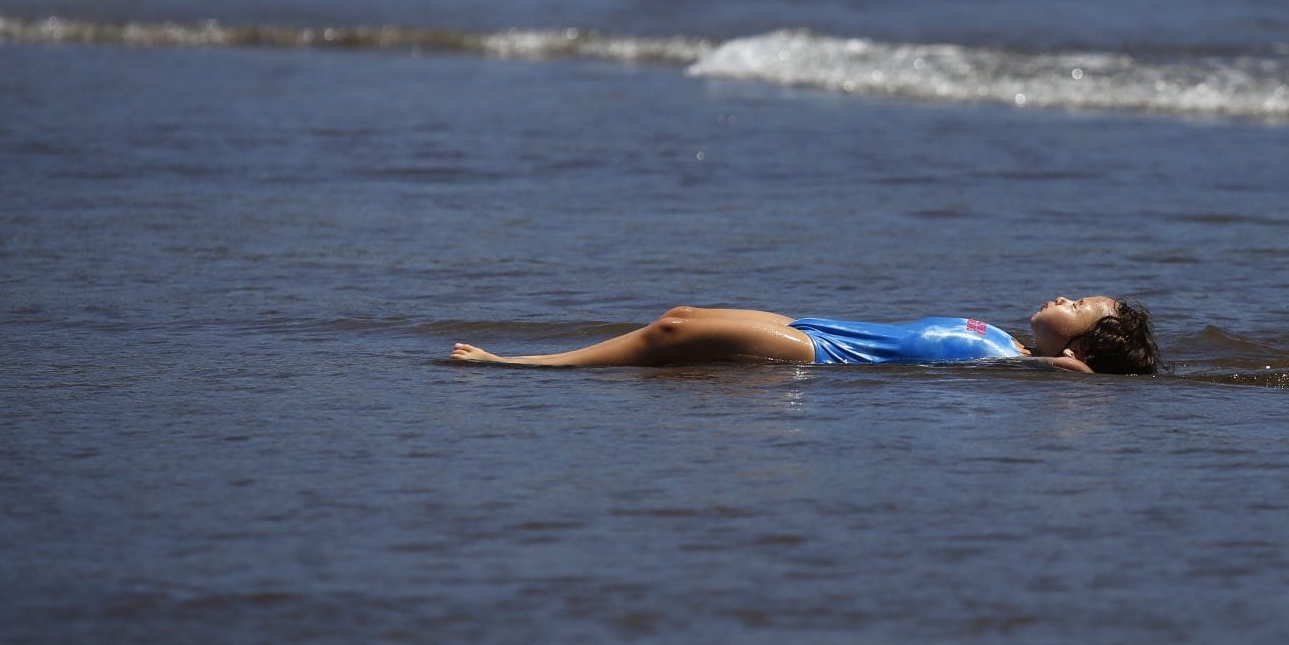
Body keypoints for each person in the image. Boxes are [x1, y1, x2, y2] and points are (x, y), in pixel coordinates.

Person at [449, 295, 1161, 375]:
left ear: (1084, 347)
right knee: (686, 313)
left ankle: (522, 365)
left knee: (668, 333)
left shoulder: (1021, 366)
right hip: (818, 325)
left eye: (1081, 304)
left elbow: (1069, 380)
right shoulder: (1002, 337)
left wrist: (1070, 375)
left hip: (820, 355)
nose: (1063, 295)